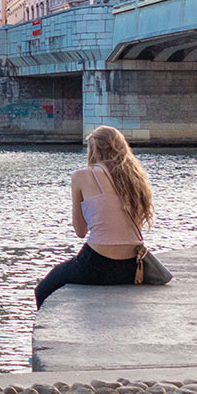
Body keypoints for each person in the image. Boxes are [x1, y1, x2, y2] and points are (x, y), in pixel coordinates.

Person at [35, 125, 156, 307]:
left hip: (97, 264)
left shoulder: (82, 176)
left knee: (43, 289)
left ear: (94, 149)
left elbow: (80, 231)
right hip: (131, 266)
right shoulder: (135, 179)